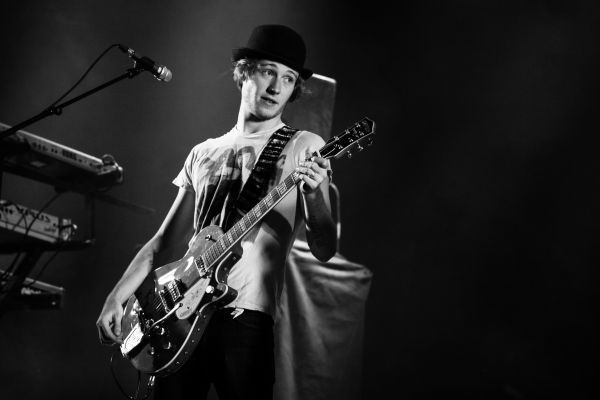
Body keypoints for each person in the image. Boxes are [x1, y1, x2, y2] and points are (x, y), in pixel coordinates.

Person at [96, 24, 337, 400]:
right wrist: (116, 297)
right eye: (267, 71)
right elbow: (163, 242)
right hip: (179, 312)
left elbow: (324, 248)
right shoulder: (202, 151)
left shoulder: (305, 146)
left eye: (288, 78)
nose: (276, 86)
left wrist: (315, 196)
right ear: (243, 72)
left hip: (245, 320)